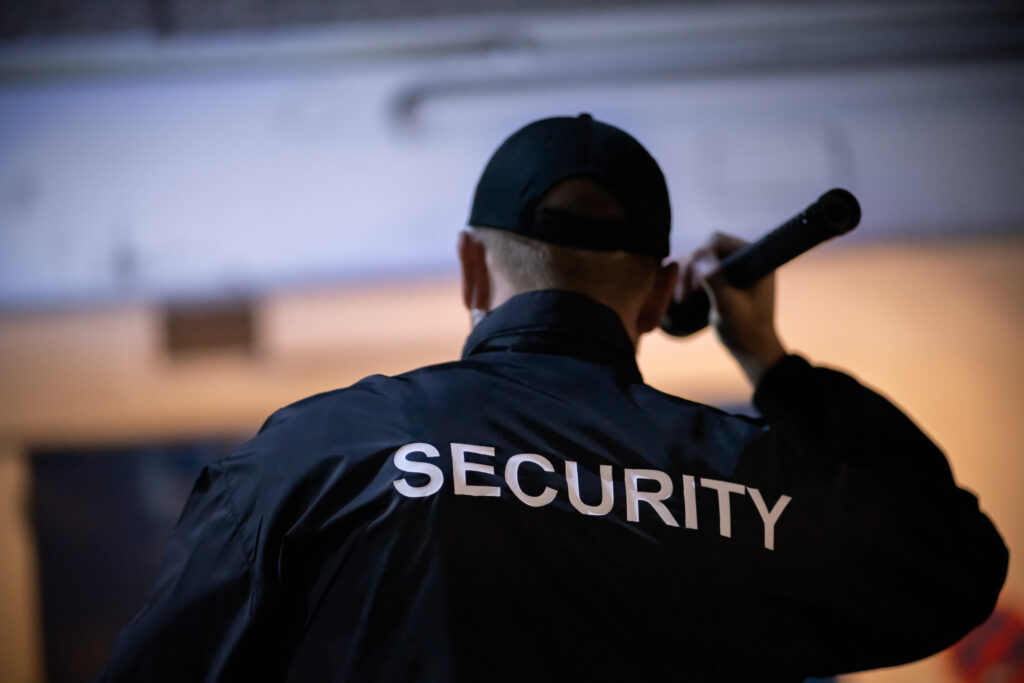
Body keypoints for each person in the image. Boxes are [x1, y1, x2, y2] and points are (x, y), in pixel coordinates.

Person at [98, 114, 1007, 682]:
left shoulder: (313, 452)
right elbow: (953, 564)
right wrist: (772, 361)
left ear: (468, 266)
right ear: (656, 294)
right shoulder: (755, 489)